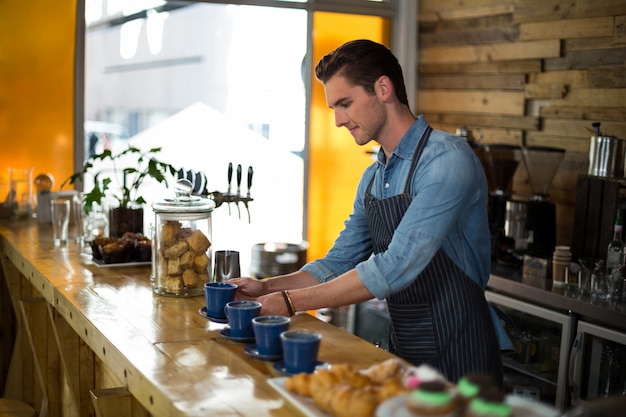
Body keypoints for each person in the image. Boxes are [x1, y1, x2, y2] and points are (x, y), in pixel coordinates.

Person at [229, 39, 512, 383]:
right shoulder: (373, 177)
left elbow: (395, 266)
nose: (337, 120)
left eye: (345, 103)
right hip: (407, 352)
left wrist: (290, 302)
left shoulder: (446, 159)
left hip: (465, 357)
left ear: (382, 88)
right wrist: (268, 288)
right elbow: (337, 262)